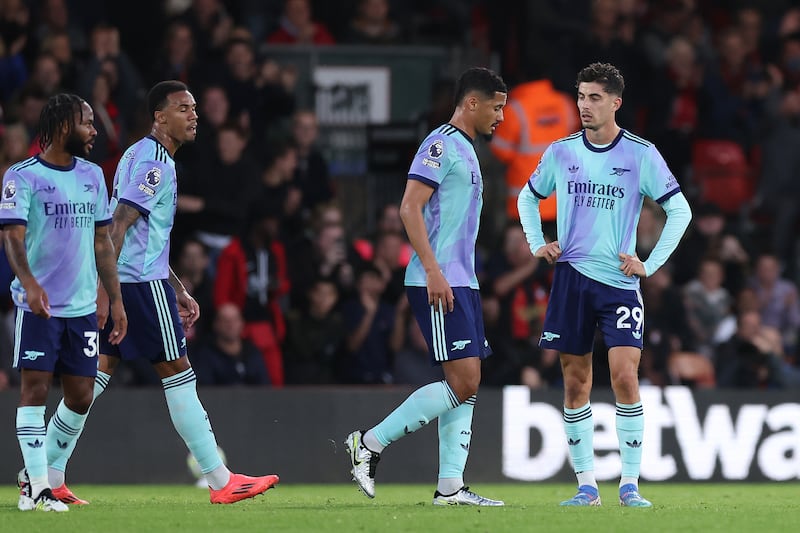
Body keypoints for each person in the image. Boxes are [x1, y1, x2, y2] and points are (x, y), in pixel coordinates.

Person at [44, 80, 279, 505]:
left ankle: (44, 474)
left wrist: (178, 286)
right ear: (159, 116)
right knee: (178, 374)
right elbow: (119, 225)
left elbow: (140, 236)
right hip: (138, 286)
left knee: (92, 380)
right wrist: (104, 290)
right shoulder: (157, 164)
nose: (194, 116)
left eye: (194, 108)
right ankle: (220, 479)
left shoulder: (138, 154)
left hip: (137, 280)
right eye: (183, 108)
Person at [517, 62, 692, 507]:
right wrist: (538, 243)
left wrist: (649, 265)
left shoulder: (640, 153)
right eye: (580, 96)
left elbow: (681, 211)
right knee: (575, 381)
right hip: (572, 278)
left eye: (594, 98)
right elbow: (528, 196)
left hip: (618, 283)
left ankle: (630, 485)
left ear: (616, 102)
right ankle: (587, 486)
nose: (584, 106)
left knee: (625, 377)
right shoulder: (561, 151)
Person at [345, 66, 507, 507]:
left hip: (461, 280)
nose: (501, 118)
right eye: (496, 108)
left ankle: (451, 487)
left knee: (467, 381)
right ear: (471, 103)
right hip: (436, 279)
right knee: (464, 380)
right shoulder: (439, 144)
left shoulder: (469, 150)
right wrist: (434, 270)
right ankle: (370, 443)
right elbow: (408, 208)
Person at [1, 93, 127, 511]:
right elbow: (12, 237)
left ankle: (37, 475)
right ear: (61, 127)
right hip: (39, 306)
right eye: (87, 123)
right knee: (34, 390)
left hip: (81, 309)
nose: (94, 131)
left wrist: (114, 297)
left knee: (80, 396)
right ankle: (39, 487)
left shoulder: (92, 175)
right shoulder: (22, 176)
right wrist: (30, 284)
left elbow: (102, 241)